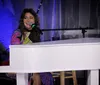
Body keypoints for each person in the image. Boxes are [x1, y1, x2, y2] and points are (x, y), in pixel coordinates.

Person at [10, 8, 54, 85]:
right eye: (25, 18)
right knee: (36, 73)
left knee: (42, 73)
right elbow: (16, 52)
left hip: (34, 63)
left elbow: (39, 52)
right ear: (22, 20)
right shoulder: (17, 33)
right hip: (21, 63)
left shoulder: (36, 33)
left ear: (34, 21)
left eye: (31, 18)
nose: (28, 20)